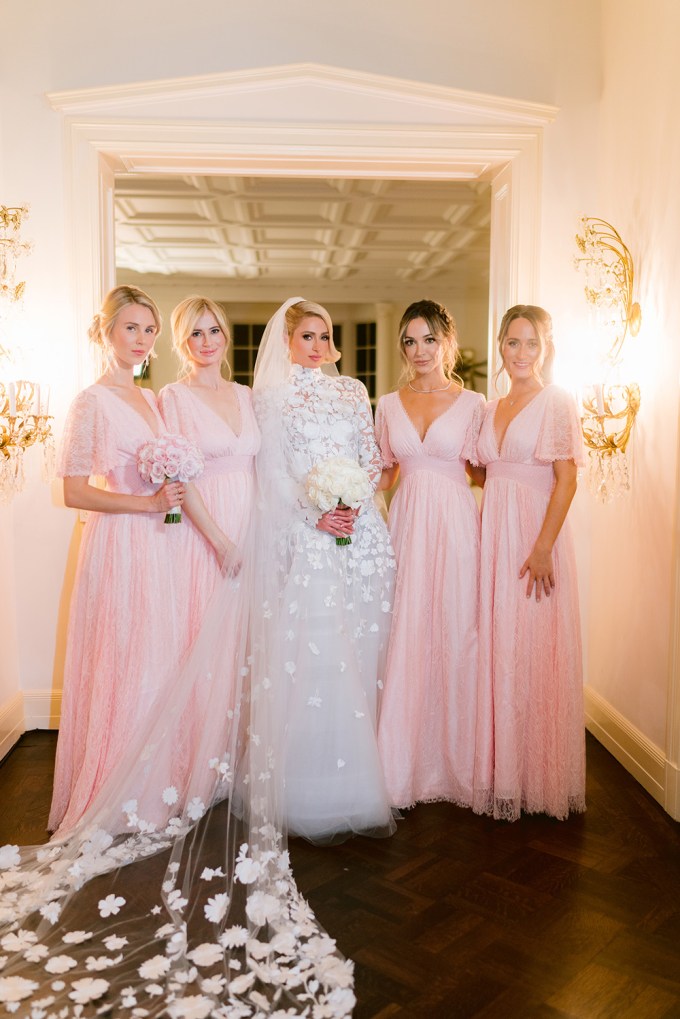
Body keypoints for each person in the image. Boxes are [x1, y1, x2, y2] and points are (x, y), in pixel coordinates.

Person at [0, 301, 358, 1018]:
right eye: (185, 331)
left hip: (251, 526)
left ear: (227, 337)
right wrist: (212, 533)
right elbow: (163, 483)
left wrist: (297, 517)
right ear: (159, 339)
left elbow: (275, 466)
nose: (201, 340)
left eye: (212, 329)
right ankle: (151, 770)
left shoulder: (248, 397)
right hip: (197, 537)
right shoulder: (161, 397)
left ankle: (213, 762)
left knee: (235, 663)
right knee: (179, 655)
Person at [251, 297, 397, 844]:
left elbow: (372, 458)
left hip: (363, 534)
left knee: (363, 643)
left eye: (324, 335)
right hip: (309, 535)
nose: (316, 346)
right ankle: (310, 787)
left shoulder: (353, 391)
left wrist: (354, 500)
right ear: (287, 341)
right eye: (306, 336)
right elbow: (273, 472)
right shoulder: (271, 398)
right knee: (317, 652)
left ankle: (368, 772)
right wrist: (318, 512)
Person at [48, 284, 186, 834]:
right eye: (131, 327)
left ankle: (151, 786)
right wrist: (146, 503)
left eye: (149, 330)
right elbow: (74, 492)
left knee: (155, 659)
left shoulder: (152, 399)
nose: (142, 339)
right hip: (118, 543)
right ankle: (112, 790)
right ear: (106, 332)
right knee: (120, 656)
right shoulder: (91, 401)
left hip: (158, 544)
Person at [473, 304, 585, 821]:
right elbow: (483, 473)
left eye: (531, 344)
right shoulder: (488, 407)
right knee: (500, 649)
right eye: (513, 343)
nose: (521, 353)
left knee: (534, 649)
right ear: (501, 346)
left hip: (533, 542)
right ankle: (503, 771)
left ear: (545, 349)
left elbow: (566, 479)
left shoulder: (556, 402)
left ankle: (540, 777)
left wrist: (542, 547)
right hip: (494, 539)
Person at [375, 299, 485, 808]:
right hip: (406, 527)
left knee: (456, 631)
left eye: (428, 340)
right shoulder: (388, 404)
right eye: (409, 341)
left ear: (446, 341)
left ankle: (457, 762)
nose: (419, 351)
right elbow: (382, 475)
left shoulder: (475, 404)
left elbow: (487, 475)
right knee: (406, 632)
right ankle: (402, 765)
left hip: (458, 526)